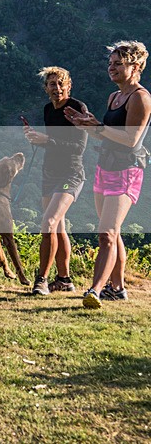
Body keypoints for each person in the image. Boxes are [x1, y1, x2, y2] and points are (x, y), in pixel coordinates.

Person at [65, 41, 151, 308]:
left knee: (106, 234)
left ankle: (95, 290)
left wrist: (98, 126)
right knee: (113, 233)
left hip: (127, 171)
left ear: (135, 67)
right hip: (105, 167)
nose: (111, 68)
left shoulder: (140, 98)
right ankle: (118, 289)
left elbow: (132, 140)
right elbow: (104, 134)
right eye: (110, 64)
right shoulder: (114, 97)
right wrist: (86, 125)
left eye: (118, 64)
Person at [23, 67, 88, 295]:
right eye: (52, 84)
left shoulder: (78, 108)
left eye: (61, 84)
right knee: (58, 227)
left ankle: (41, 280)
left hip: (71, 174)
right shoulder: (48, 109)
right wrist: (37, 140)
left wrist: (47, 140)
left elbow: (79, 148)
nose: (57, 88)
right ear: (46, 88)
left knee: (49, 222)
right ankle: (64, 280)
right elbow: (53, 143)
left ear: (69, 86)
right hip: (49, 173)